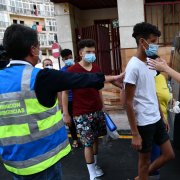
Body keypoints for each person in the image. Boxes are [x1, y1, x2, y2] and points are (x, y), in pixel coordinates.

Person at [0, 24, 123, 180]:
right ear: (33, 49)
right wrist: (113, 78)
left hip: (13, 163)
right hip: (43, 162)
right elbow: (79, 79)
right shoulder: (41, 76)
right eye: (38, 46)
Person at [63, 39, 122, 180]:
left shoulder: (96, 68)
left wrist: (103, 106)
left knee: (95, 140)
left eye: (93, 52)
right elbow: (64, 92)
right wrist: (65, 113)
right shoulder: (72, 70)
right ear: (81, 53)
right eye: (88, 52)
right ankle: (92, 175)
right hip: (81, 113)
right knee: (88, 143)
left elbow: (99, 89)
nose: (91, 54)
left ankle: (95, 166)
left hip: (97, 110)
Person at [124, 22, 175, 180]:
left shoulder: (149, 62)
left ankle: (141, 177)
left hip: (156, 118)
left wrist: (161, 115)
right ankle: (143, 175)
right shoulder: (133, 67)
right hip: (144, 123)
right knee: (144, 162)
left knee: (169, 155)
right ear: (142, 42)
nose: (156, 45)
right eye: (152, 41)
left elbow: (152, 93)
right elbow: (128, 102)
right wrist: (134, 134)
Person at [149, 73, 171, 179]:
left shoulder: (161, 77)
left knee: (164, 155)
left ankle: (143, 175)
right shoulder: (146, 77)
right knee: (155, 156)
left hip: (162, 121)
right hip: (151, 122)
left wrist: (172, 100)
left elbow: (161, 97)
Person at [58, 49, 79, 148]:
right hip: (69, 100)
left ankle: (85, 138)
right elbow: (60, 90)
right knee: (70, 121)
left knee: (80, 120)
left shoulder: (79, 68)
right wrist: (61, 104)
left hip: (79, 98)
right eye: (66, 59)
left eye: (70, 57)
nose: (69, 60)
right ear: (62, 59)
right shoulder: (62, 71)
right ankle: (75, 139)